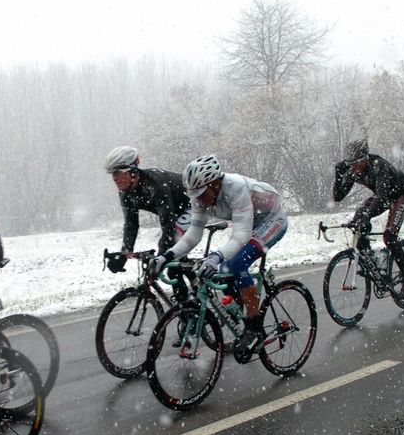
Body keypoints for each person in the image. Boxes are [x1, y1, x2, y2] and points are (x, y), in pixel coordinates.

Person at [150, 155, 288, 355]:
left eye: (200, 193)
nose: (197, 199)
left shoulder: (236, 188)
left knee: (237, 264)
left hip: (272, 220)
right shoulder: (201, 197)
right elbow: (193, 235)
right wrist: (168, 256)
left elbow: (241, 235)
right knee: (222, 271)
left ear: (214, 184)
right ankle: (242, 311)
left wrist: (215, 256)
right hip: (250, 223)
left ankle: (254, 325)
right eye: (193, 194)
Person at [333, 139, 404, 296]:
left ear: (365, 159)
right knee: (358, 220)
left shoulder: (379, 165)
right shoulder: (352, 170)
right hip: (380, 196)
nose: (354, 168)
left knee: (390, 237)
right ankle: (371, 258)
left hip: (398, 197)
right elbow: (338, 197)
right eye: (350, 165)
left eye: (357, 164)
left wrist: (367, 217)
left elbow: (382, 198)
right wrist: (338, 173)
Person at [102, 146, 191, 274]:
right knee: (175, 261)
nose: (114, 178)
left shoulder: (154, 183)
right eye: (112, 174)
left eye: (118, 172)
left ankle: (187, 289)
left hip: (193, 206)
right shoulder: (125, 193)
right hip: (176, 212)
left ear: (132, 171)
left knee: (171, 265)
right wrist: (124, 254)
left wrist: (162, 253)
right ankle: (191, 281)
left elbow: (168, 223)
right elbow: (131, 225)